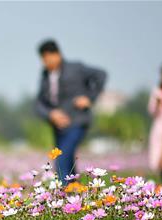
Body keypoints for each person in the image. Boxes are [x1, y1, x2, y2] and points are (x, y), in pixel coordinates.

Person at [34, 39, 107, 182]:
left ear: (57, 55)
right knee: (67, 160)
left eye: (48, 58)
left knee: (61, 159)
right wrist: (51, 114)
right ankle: (75, 192)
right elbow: (38, 103)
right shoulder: (45, 75)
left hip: (77, 122)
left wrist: (89, 98)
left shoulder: (75, 68)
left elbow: (101, 75)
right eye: (43, 59)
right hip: (58, 127)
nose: (46, 62)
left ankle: (63, 195)